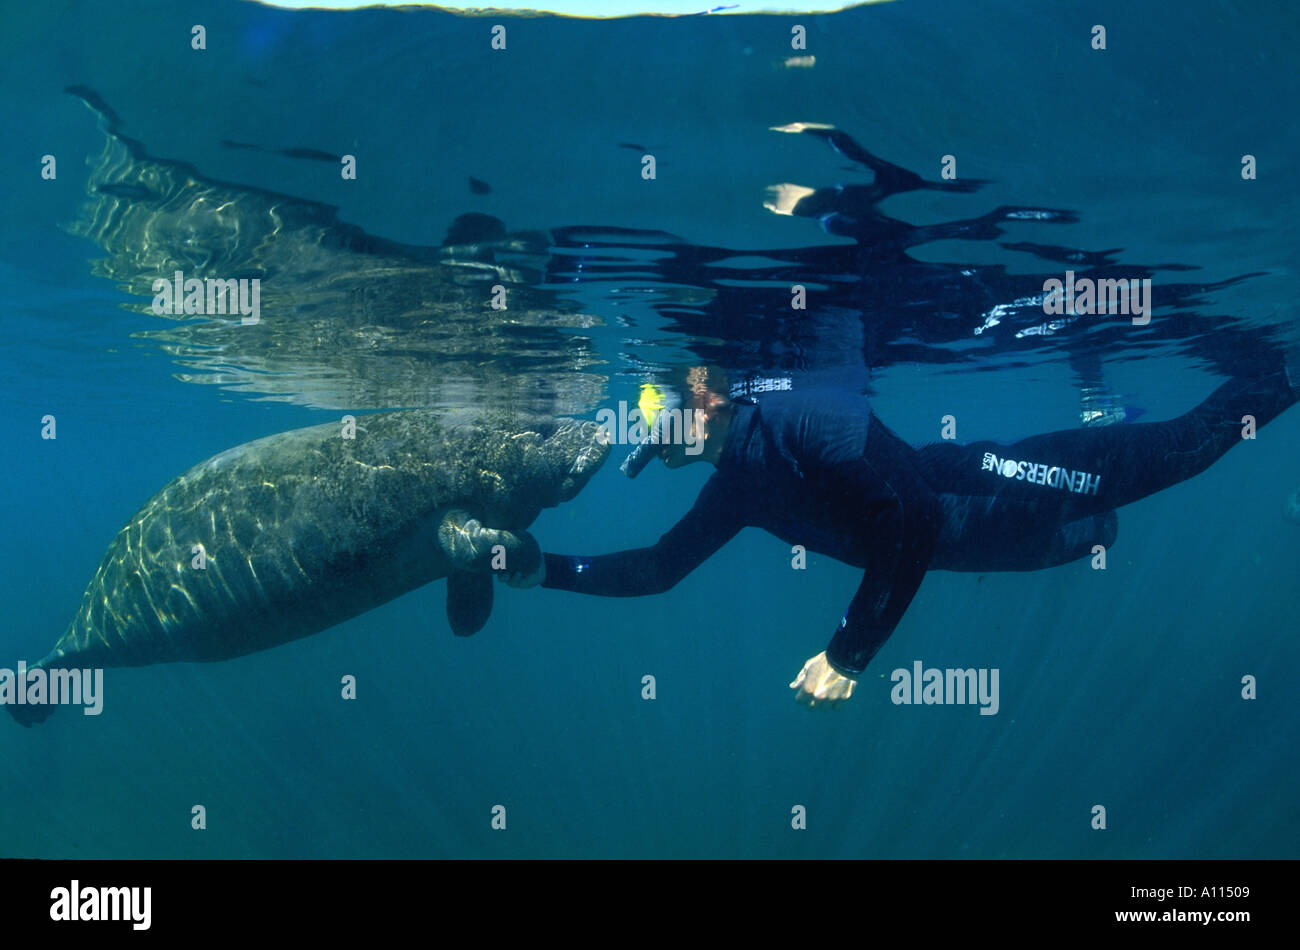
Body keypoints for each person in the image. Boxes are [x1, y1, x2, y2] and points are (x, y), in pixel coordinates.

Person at [504, 355, 1299, 708]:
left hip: (991, 491)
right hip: (993, 540)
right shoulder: (738, 483)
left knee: (1188, 447)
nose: (657, 447)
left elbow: (911, 515)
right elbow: (657, 568)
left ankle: (1284, 371)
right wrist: (548, 572)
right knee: (1102, 532)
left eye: (659, 424)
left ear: (705, 396)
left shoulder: (802, 417)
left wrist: (849, 653)